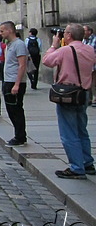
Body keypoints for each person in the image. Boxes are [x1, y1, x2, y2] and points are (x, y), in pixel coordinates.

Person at [42, 24, 96, 179]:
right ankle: (87, 163)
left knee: (69, 132)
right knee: (82, 130)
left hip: (68, 93)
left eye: (65, 32)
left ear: (69, 35)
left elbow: (47, 61)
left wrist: (53, 45)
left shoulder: (66, 50)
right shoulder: (89, 49)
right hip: (83, 93)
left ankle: (76, 167)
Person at [0, 21, 28, 147]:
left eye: (2, 31)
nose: (0, 33)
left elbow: (22, 65)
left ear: (9, 30)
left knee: (16, 109)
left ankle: (20, 136)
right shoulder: (9, 44)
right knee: (11, 109)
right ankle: (18, 134)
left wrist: (17, 84)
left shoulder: (19, 44)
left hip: (15, 82)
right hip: (8, 80)